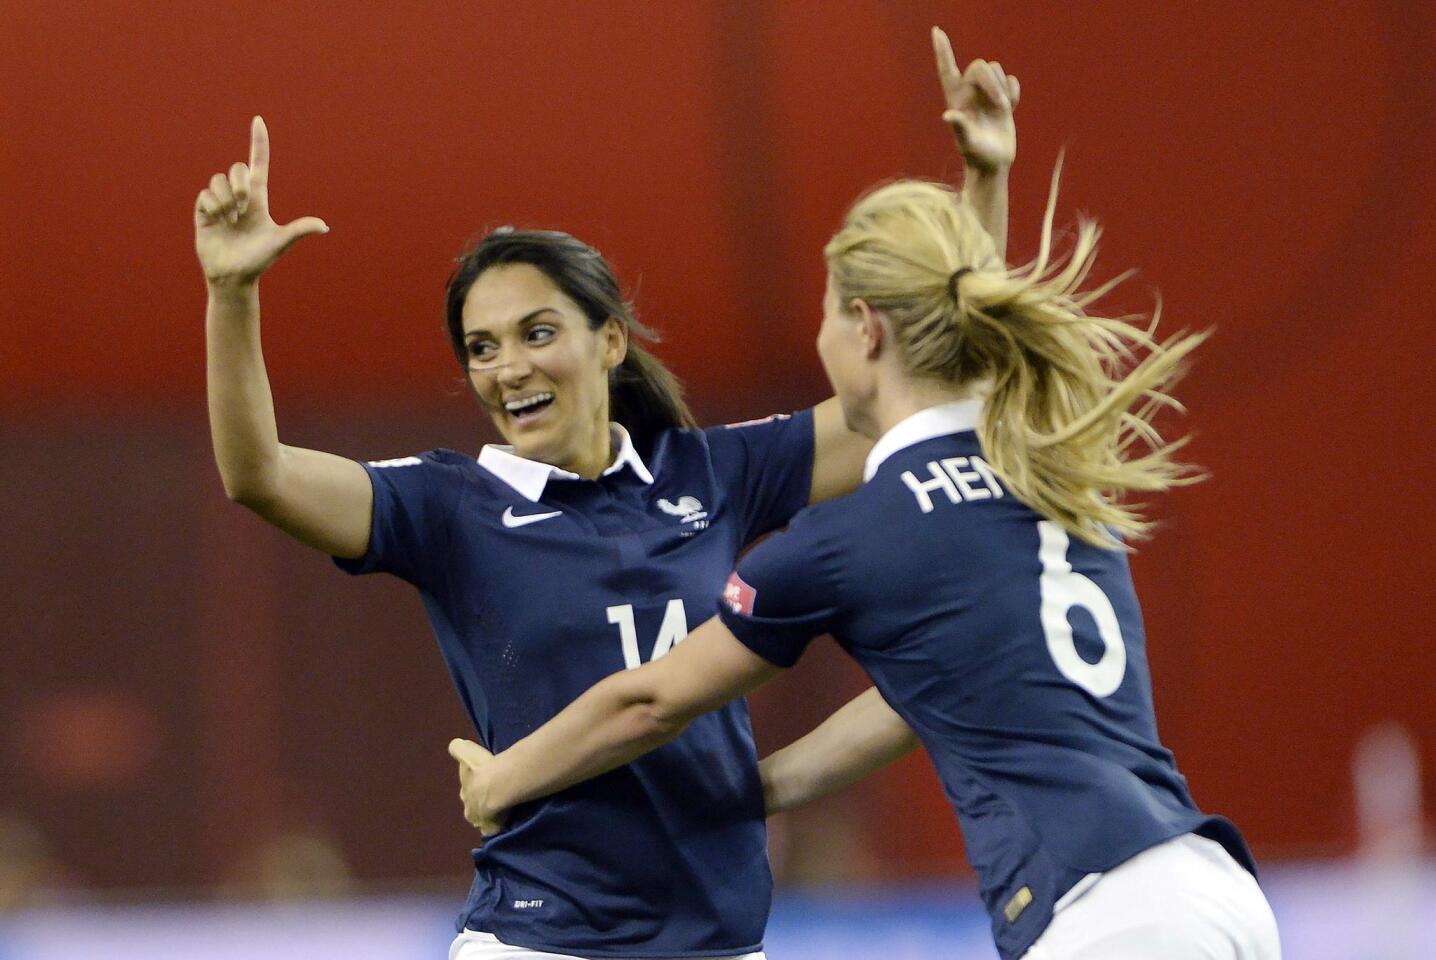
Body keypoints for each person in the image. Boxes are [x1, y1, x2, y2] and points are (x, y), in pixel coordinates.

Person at [193, 27, 1020, 960]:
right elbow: (255, 472)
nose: (508, 367)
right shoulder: (449, 505)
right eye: (482, 347)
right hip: (544, 940)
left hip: (719, 938)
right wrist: (232, 293)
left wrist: (983, 187)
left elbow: (927, 394)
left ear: (611, 342)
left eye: (538, 331)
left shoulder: (709, 472)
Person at [447, 168, 1283, 958]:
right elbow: (920, 700)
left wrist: (502, 781)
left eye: (826, 316)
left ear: (866, 328)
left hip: (1106, 918)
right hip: (1215, 887)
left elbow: (649, 700)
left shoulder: (852, 538)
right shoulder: (1043, 476)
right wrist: (750, 792)